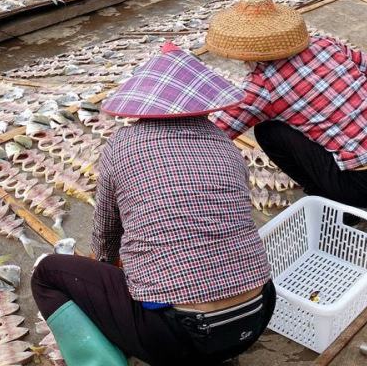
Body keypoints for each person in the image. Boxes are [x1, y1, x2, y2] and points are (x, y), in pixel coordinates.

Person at [31, 45, 276, 366]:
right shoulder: (224, 145)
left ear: (142, 104)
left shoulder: (122, 144)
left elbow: (106, 235)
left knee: (48, 272)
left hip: (177, 336)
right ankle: (217, 350)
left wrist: (107, 277)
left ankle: (99, 361)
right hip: (257, 315)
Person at [206, 0, 367, 209]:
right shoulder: (324, 44)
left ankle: (333, 201)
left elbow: (213, 134)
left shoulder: (261, 86)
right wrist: (349, 102)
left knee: (268, 131)